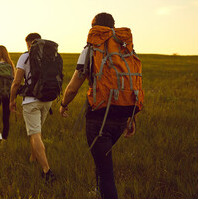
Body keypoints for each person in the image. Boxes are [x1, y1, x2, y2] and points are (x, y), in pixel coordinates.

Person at [59, 13, 143, 199]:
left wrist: (63, 104)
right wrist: (132, 118)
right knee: (102, 160)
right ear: (113, 26)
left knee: (106, 174)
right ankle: (98, 192)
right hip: (122, 117)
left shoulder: (91, 49)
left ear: (95, 27)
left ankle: (103, 192)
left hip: (99, 120)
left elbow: (73, 86)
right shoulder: (126, 50)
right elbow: (131, 84)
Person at [10, 33, 56, 183]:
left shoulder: (25, 56)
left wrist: (12, 100)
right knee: (37, 132)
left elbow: (16, 82)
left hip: (31, 100)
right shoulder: (50, 56)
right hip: (48, 99)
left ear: (29, 43)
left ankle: (46, 171)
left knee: (35, 134)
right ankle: (33, 158)